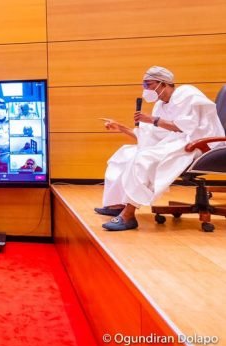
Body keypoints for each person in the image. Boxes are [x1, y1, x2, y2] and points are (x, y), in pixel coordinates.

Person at [95, 66, 225, 231]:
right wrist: (121, 128)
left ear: (163, 83)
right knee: (125, 154)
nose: (146, 89)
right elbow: (149, 137)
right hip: (174, 142)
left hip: (197, 143)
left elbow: (187, 128)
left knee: (144, 158)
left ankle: (128, 215)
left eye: (149, 84)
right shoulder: (160, 106)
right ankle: (117, 205)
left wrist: (153, 120)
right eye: (144, 85)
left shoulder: (187, 94)